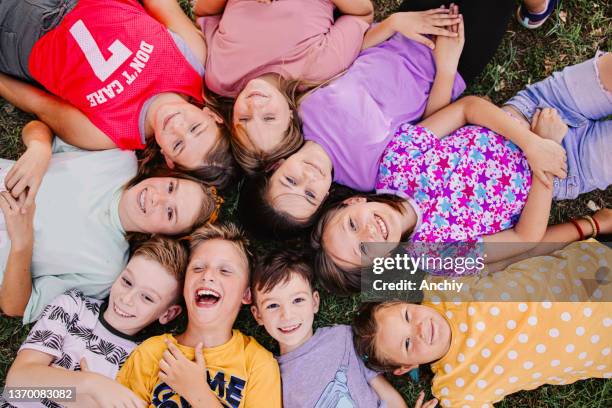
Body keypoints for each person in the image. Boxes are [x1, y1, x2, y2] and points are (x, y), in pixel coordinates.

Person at [0, 121, 221, 322]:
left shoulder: (105, 272)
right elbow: (42, 124)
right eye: (171, 187)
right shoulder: (118, 156)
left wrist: (22, 243)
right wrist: (40, 147)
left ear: (162, 235)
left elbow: (16, 306)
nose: (157, 197)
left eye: (170, 213)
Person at [0, 0, 236, 187]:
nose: (177, 127)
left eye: (178, 145)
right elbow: (160, 4)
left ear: (168, 159)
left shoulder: (110, 135)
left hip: (23, 32)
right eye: (195, 128)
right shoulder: (192, 60)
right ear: (212, 116)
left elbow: (37, 103)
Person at [352, 239, 612, 407]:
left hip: (594, 266)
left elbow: (506, 252)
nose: (419, 329)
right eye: (407, 343)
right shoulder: (456, 389)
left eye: (407, 316)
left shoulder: (441, 286)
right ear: (406, 367)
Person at [3, 236, 187, 407]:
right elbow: (17, 385)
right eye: (127, 282)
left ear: (168, 314)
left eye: (147, 298)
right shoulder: (73, 307)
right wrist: (91, 385)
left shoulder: (143, 358)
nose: (126, 299)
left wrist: (57, 383)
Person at [117, 222, 282, 408]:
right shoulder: (151, 353)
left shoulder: (258, 364)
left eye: (225, 271)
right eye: (198, 268)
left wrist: (198, 393)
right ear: (185, 285)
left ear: (246, 294)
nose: (207, 276)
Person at [250, 249, 436, 408]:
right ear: (257, 315)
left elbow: (381, 388)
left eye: (298, 300)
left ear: (315, 302)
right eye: (273, 306)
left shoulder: (342, 337)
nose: (287, 315)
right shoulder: (269, 374)